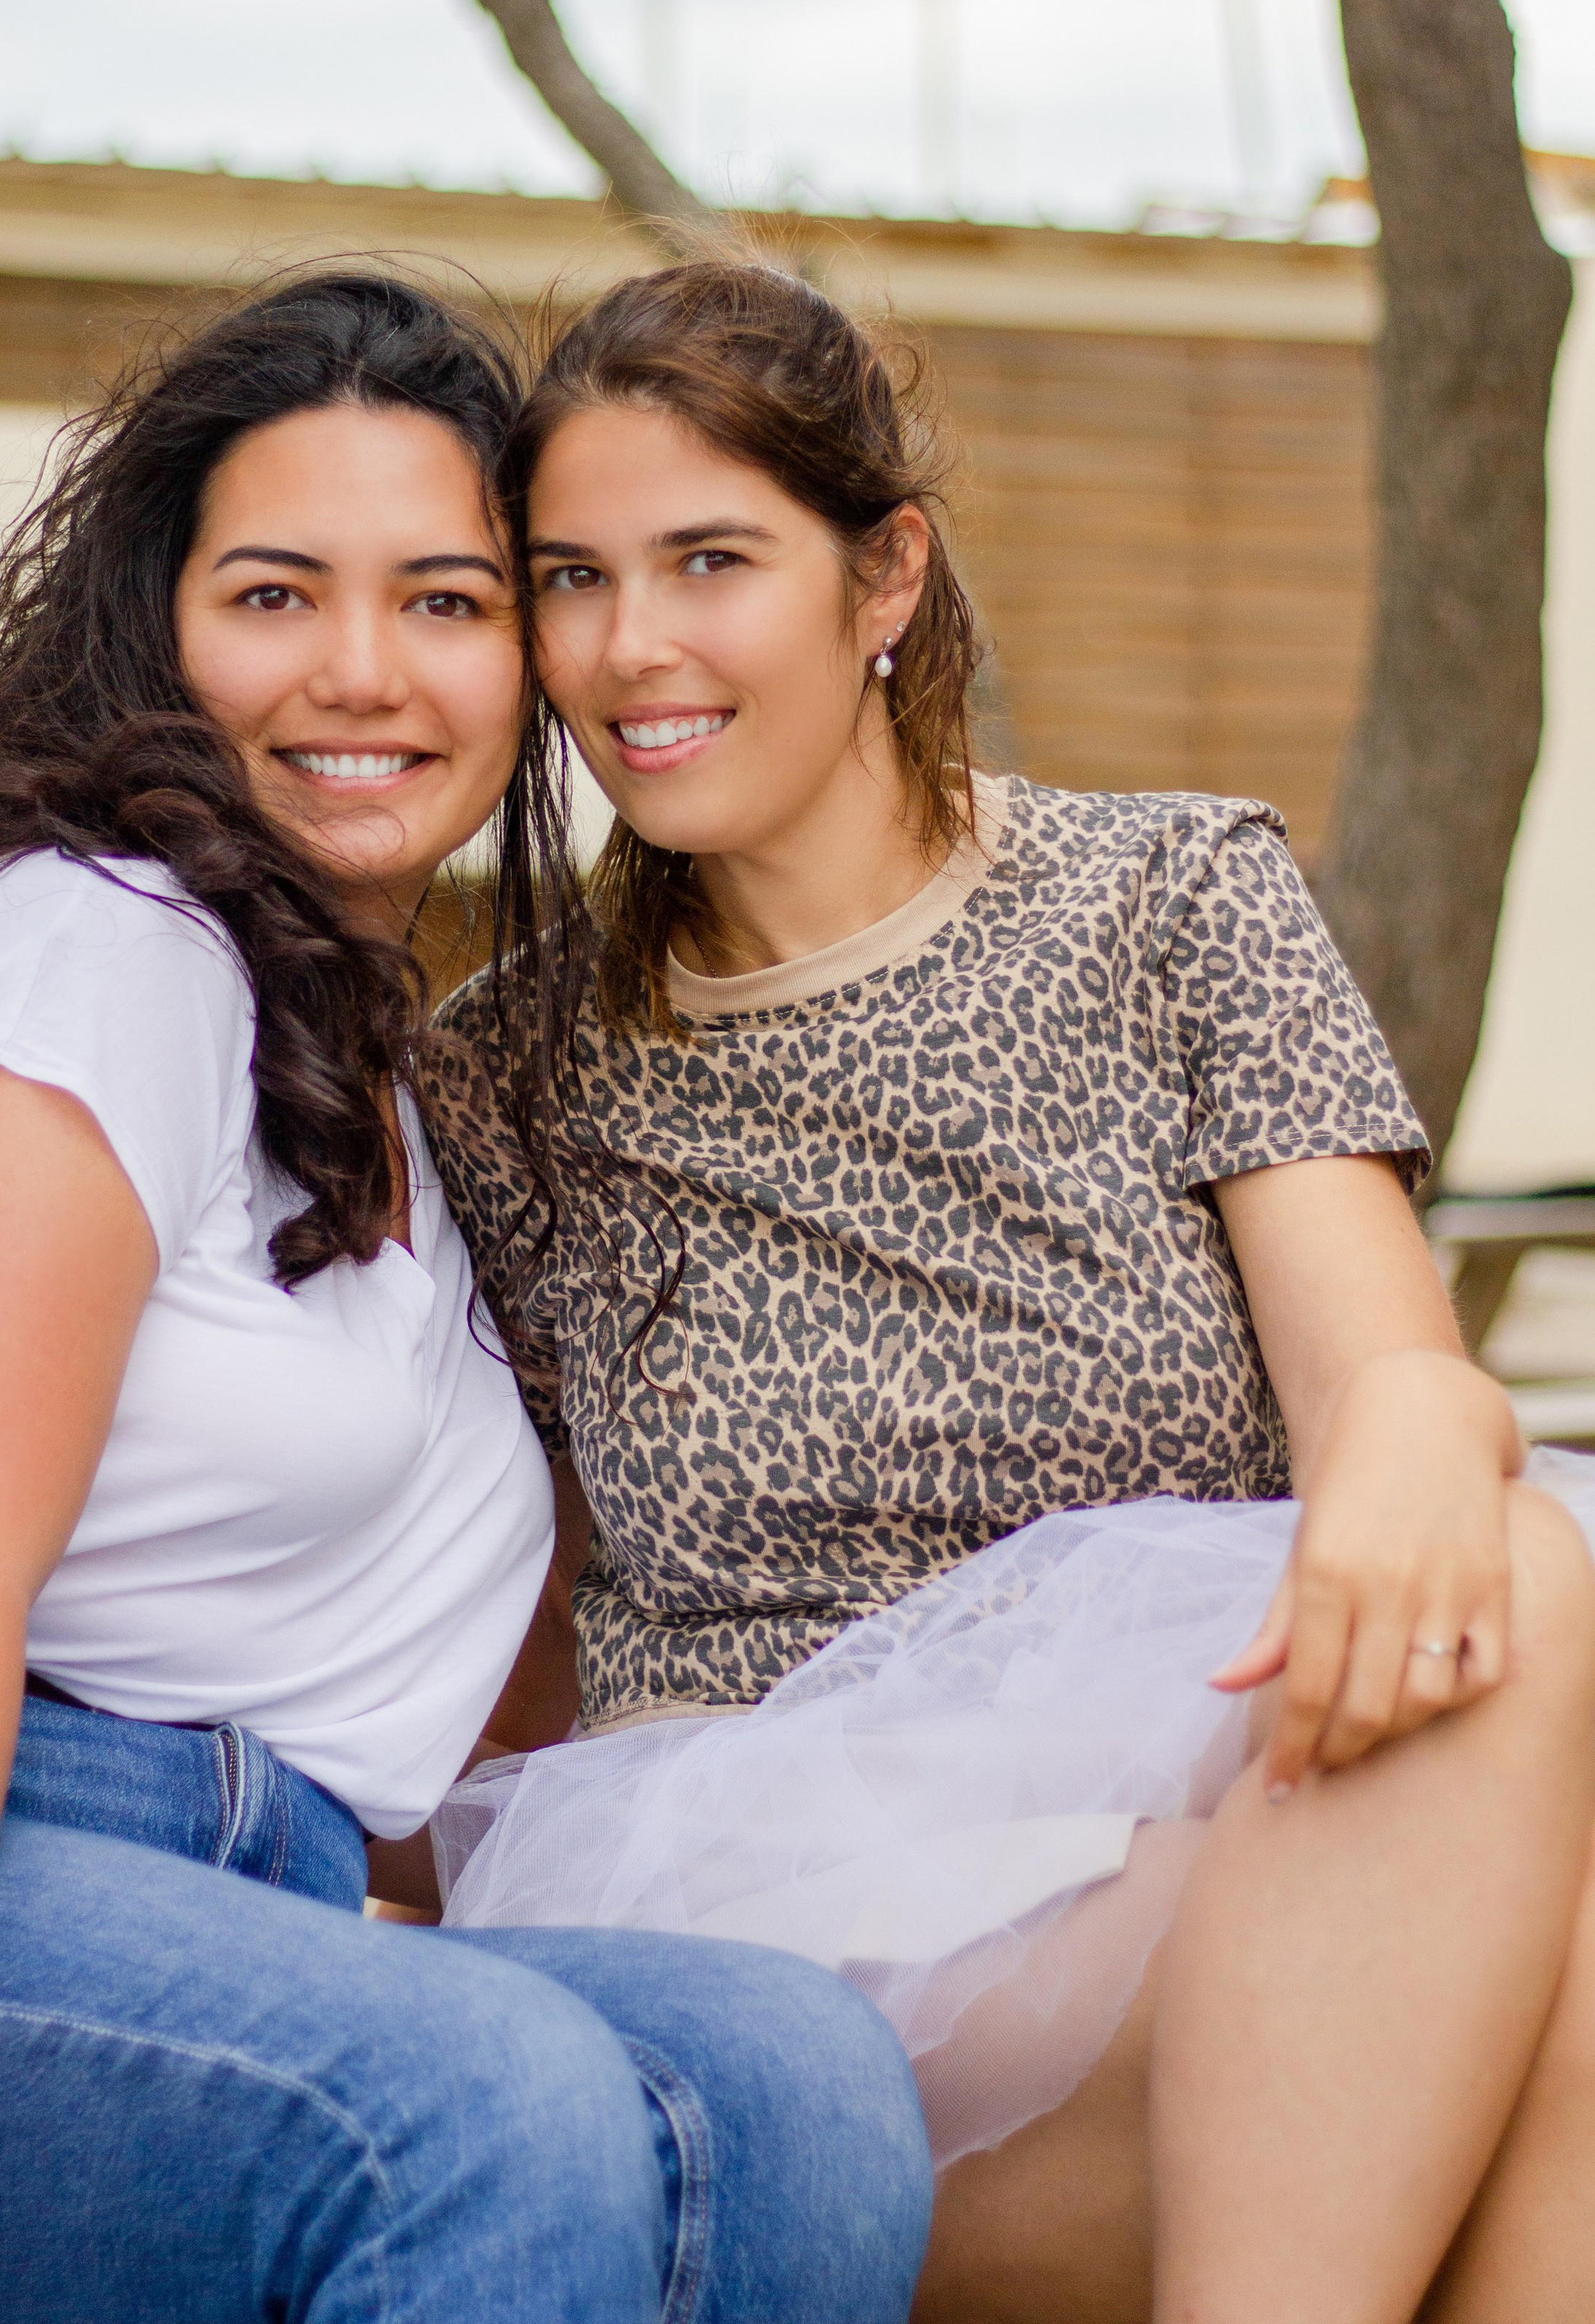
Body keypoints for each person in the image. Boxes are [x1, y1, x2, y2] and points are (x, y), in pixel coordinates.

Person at [0, 272, 933, 2324]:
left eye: (448, 603)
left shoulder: (383, 1081)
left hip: (217, 1885)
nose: (362, 674)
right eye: (278, 595)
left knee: (792, 2088)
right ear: (162, 633)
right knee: (488, 2102)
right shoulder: (97, 943)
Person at [418, 258, 1595, 2324]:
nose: (632, 647)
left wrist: (1421, 1436)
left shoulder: (1170, 898)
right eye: (572, 580)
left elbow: (1383, 1377)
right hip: (792, 1926)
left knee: (1520, 1582)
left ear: (888, 579)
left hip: (1266, 1829)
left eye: (713, 560)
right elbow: (483, 1583)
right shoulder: (510, 1071)